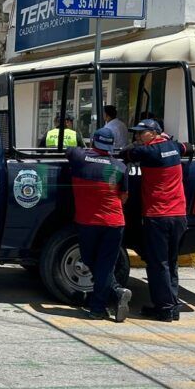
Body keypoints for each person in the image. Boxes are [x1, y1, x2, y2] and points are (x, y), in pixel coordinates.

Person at [124, 118, 189, 322]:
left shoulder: (147, 151)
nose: (137, 137)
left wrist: (135, 146)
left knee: (157, 263)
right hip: (179, 215)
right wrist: (168, 139)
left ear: (153, 133)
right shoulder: (174, 147)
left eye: (141, 133)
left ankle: (164, 308)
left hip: (158, 216)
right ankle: (173, 305)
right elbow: (187, 147)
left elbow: (126, 153)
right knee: (171, 261)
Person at [66, 128, 133, 322]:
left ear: (93, 141)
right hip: (114, 222)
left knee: (90, 260)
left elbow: (69, 150)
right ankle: (115, 294)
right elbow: (124, 197)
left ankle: (99, 307)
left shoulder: (79, 157)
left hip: (87, 222)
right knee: (104, 264)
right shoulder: (120, 167)